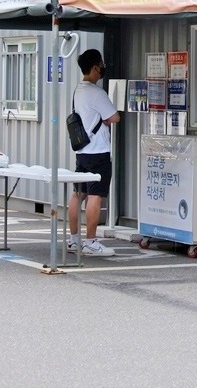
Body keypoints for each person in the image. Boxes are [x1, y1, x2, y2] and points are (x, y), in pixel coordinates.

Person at [67, 49, 120, 257]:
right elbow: (115, 117)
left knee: (78, 194)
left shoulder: (78, 90)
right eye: (101, 64)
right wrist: (107, 118)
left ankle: (74, 240)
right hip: (98, 151)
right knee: (96, 196)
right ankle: (91, 242)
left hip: (82, 150)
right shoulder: (97, 93)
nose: (102, 68)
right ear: (95, 67)